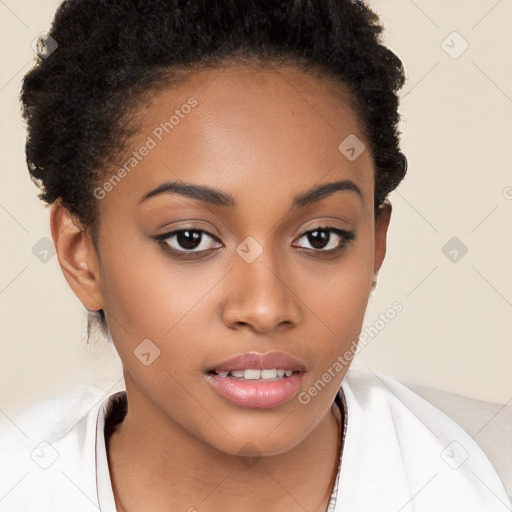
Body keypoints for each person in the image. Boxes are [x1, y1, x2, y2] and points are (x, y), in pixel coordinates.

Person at [0, 0, 509, 510]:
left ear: (376, 246)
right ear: (80, 252)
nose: (265, 308)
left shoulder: (489, 473)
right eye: (190, 238)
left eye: (319, 237)